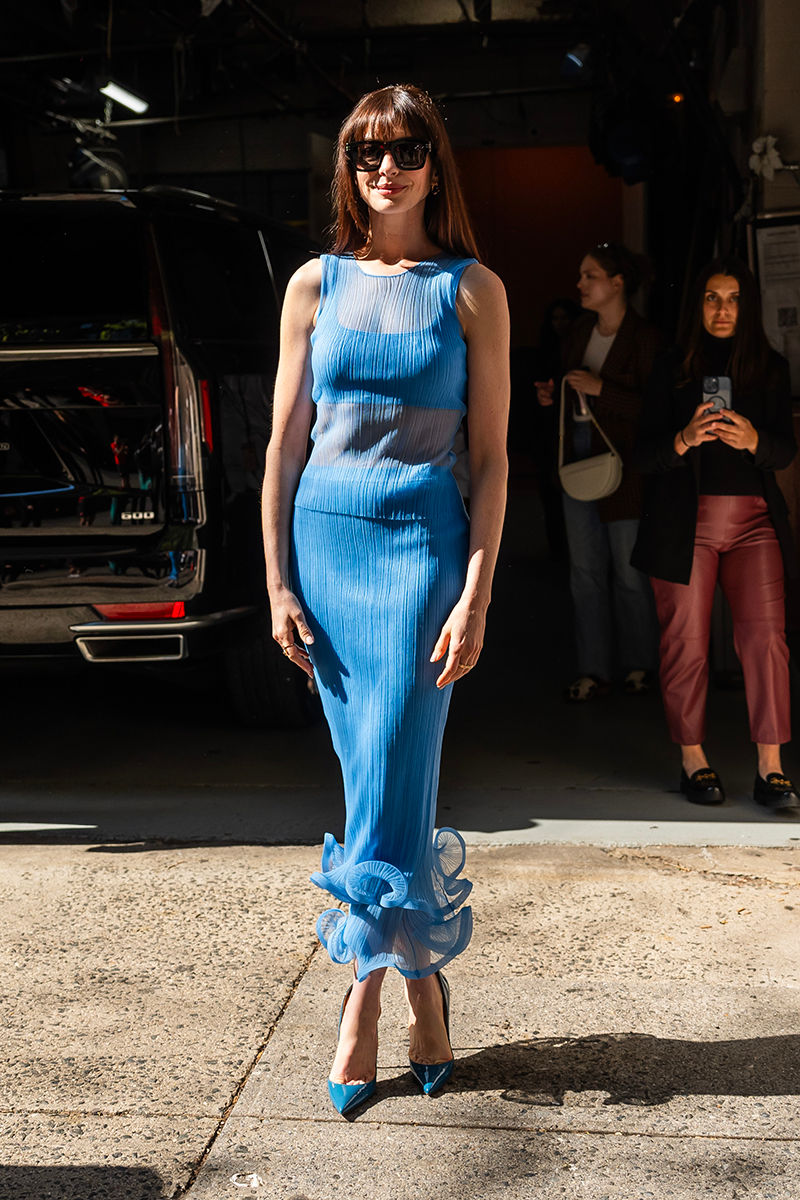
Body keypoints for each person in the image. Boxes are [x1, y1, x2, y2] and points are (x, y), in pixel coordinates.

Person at [261, 83, 510, 1116]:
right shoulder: (312, 286)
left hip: (421, 553)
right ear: (348, 170)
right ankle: (424, 988)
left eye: (406, 149)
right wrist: (273, 580)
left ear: (433, 166)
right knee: (371, 774)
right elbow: (280, 445)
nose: (386, 167)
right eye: (367, 151)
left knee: (394, 759)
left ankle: (361, 999)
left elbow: (493, 459)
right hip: (324, 547)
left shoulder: (471, 289)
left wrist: (477, 595)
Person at [632, 256, 800, 814]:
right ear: (697, 304)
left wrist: (753, 438)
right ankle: (693, 759)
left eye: (732, 299)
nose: (722, 309)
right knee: (686, 643)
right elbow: (642, 456)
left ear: (746, 307)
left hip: (754, 523)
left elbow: (785, 451)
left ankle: (771, 769)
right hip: (686, 524)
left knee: (766, 641)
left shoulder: (769, 370)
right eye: (711, 297)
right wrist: (683, 438)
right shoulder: (671, 368)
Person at [535, 242, 665, 702]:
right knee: (584, 571)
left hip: (626, 468)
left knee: (629, 573)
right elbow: (572, 388)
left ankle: (639, 666)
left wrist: (601, 388)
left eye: (590, 276)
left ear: (617, 283)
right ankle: (594, 669)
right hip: (578, 459)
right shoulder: (579, 331)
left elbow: (656, 412)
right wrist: (555, 395)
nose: (580, 284)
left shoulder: (645, 338)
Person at [529, 298, 580, 559]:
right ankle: (557, 553)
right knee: (551, 496)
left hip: (575, 431)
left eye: (565, 318)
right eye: (555, 319)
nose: (560, 324)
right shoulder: (545, 353)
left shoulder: (579, 347)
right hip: (549, 433)